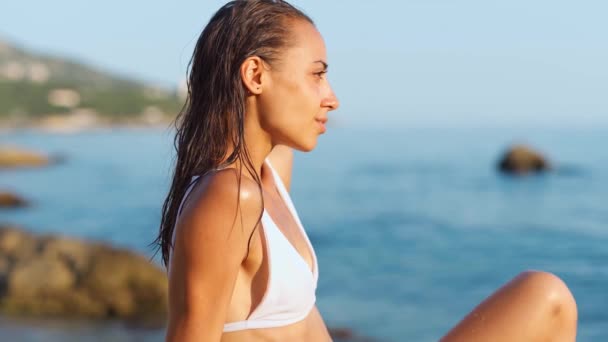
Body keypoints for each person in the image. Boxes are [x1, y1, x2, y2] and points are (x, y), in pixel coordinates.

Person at [154, 1, 578, 341]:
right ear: (255, 74)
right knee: (546, 297)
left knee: (542, 296)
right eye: (317, 75)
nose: (332, 98)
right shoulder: (227, 196)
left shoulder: (267, 176)